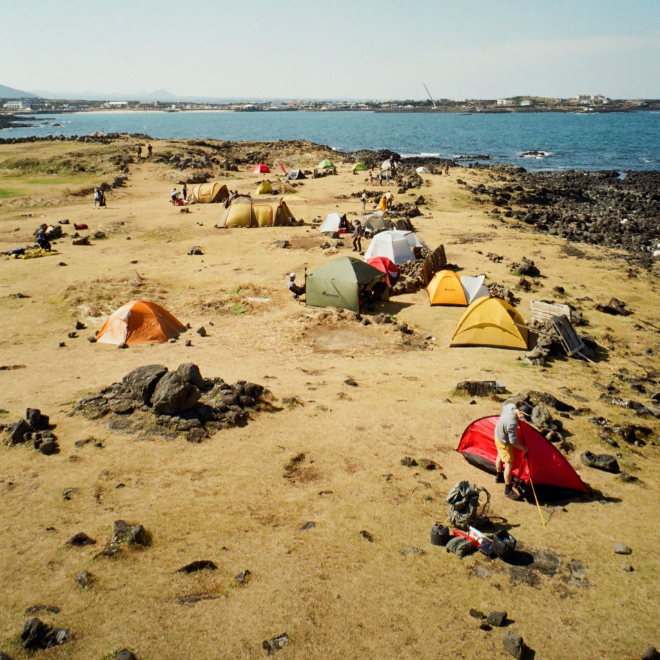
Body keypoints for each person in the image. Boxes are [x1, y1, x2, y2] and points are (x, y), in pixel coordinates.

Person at [494, 401, 528, 500]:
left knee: (500, 454)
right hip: (504, 441)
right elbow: (513, 441)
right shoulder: (512, 422)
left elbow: (504, 406)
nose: (522, 417)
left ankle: (499, 476)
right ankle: (508, 490)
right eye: (522, 415)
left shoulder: (510, 406)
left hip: (497, 435)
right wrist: (523, 448)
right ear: (520, 413)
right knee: (509, 464)